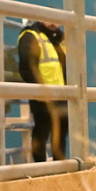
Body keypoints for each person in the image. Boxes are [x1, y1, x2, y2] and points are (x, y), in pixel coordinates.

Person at [17, 20, 68, 163]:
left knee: (60, 135)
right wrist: (38, 90)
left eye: (56, 19)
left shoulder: (60, 39)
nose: (53, 23)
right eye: (48, 18)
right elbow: (26, 66)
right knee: (42, 132)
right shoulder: (30, 36)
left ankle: (59, 169)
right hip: (43, 96)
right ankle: (41, 171)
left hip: (63, 95)